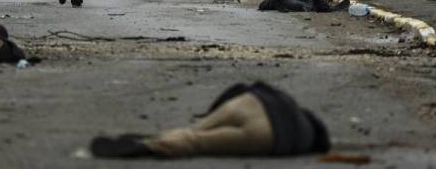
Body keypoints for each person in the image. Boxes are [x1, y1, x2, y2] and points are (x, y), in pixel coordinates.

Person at [90, 81, 330, 158]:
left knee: (196, 129)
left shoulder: (289, 102)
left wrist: (211, 113)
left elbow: (241, 88)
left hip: (250, 101)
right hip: (269, 134)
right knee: (198, 143)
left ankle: (176, 133)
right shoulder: (305, 139)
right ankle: (153, 145)